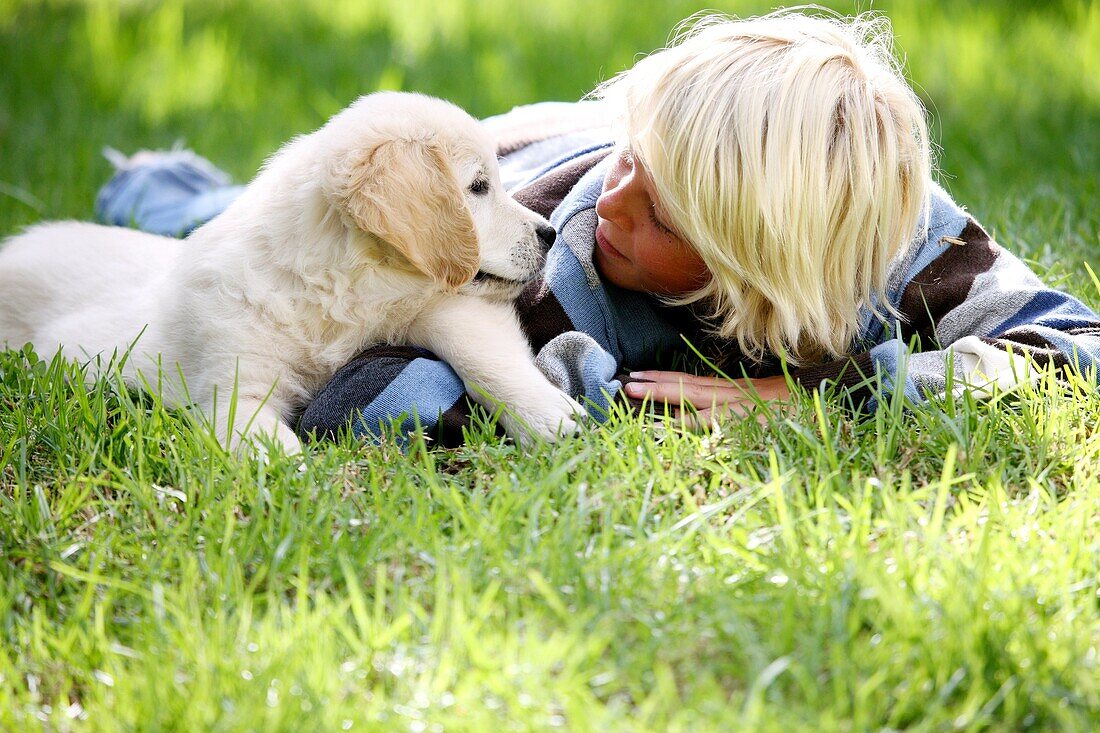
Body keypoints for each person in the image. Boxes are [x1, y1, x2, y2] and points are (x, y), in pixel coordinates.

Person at [95, 10, 1100, 446]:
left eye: (656, 210)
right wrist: (562, 387)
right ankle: (165, 186)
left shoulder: (897, 238)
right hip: (502, 167)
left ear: (751, 265)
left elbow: (1074, 353)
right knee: (241, 227)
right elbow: (362, 399)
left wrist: (816, 403)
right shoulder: (566, 256)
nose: (614, 203)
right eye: (635, 159)